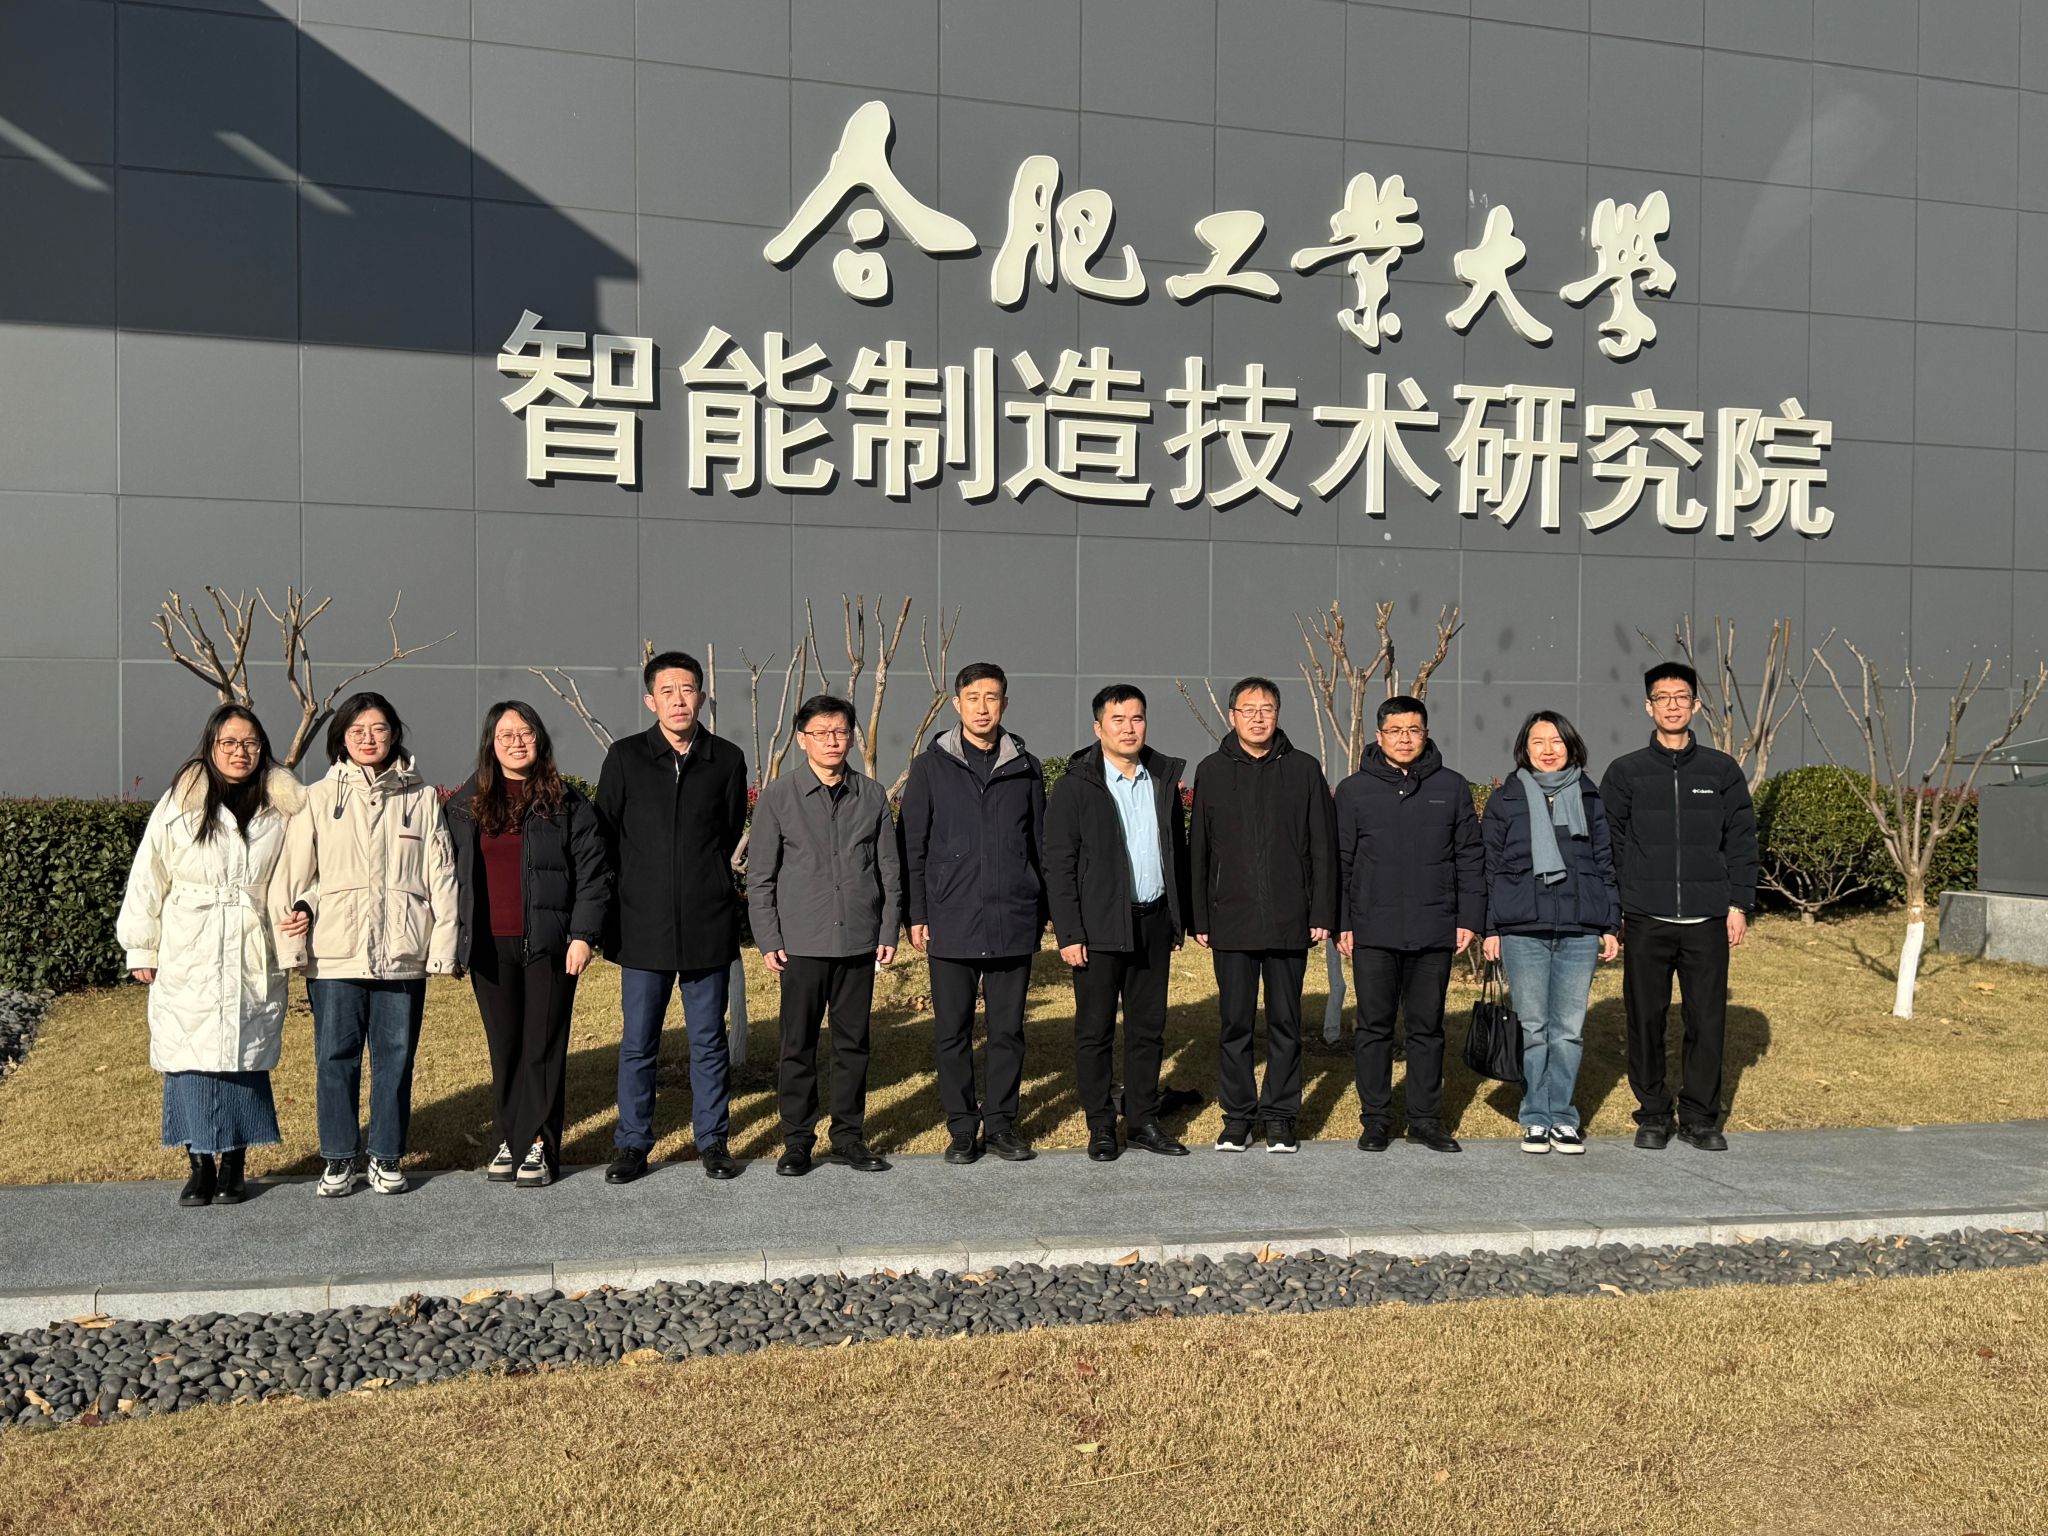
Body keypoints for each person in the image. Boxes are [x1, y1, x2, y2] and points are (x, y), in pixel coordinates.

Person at [118, 706, 308, 1207]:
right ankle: (200, 1165)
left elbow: (306, 868)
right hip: (190, 944)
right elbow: (149, 874)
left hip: (251, 944)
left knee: (243, 1058)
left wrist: (303, 908)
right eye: (229, 743)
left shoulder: (283, 804)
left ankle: (236, 1165)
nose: (240, 752)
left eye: (250, 743)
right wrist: (141, 945)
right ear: (211, 745)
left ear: (262, 747)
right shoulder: (180, 801)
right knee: (190, 1057)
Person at [275, 692, 458, 1198]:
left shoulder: (421, 798)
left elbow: (441, 876)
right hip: (336, 954)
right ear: (342, 738)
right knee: (335, 1059)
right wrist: (293, 940)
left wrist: (442, 946)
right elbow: (295, 876)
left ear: (394, 734)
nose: (368, 738)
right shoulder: (317, 797)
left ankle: (385, 1155)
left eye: (378, 729)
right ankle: (338, 1157)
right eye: (357, 730)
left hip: (402, 952)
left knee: (396, 1060)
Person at [595, 650, 749, 1184]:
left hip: (707, 923)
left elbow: (727, 831)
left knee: (708, 1041)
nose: (678, 700)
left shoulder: (726, 759)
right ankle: (632, 1143)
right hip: (643, 926)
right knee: (639, 1043)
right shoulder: (625, 757)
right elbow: (606, 835)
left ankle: (713, 1141)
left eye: (687, 690)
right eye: (667, 691)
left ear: (702, 697)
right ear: (650, 701)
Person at [444, 702, 609, 1188]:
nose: (516, 742)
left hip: (550, 945)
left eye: (525, 733)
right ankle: (509, 1139)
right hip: (489, 947)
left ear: (540, 738)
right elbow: (445, 873)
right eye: (505, 735)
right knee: (506, 1048)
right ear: (490, 744)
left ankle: (538, 1143)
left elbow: (595, 874)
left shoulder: (567, 802)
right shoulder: (465, 803)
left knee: (543, 1047)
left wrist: (583, 935)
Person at [1599, 662, 1759, 1153]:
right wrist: (1615, 909)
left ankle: (1699, 1117)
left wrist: (1738, 903)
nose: (1672, 705)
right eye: (1662, 698)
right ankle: (1652, 1114)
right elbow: (1609, 845)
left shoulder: (1721, 770)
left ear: (1695, 705)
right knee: (1645, 1019)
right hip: (1645, 917)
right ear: (1648, 706)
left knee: (1706, 1022)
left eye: (1681, 696)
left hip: (1707, 918)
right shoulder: (1625, 772)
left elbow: (1741, 840)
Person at [747, 695, 902, 1177]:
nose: (832, 741)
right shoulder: (779, 797)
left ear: (852, 737)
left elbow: (890, 871)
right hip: (801, 943)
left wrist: (888, 928)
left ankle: (849, 1137)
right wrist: (769, 937)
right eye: (821, 732)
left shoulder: (872, 795)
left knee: (853, 1044)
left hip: (858, 938)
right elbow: (760, 877)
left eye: (840, 732)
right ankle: (797, 1141)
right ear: (802, 739)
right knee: (797, 1045)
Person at [900, 662, 1047, 1164]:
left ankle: (1002, 1124)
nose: (983, 707)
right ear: (956, 703)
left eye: (993, 697)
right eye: (973, 697)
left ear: (1005, 703)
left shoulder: (1025, 766)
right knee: (953, 1032)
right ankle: (963, 1127)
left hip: (1013, 917)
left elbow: (1039, 844)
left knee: (1007, 1032)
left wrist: (1042, 908)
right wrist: (917, 913)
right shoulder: (929, 767)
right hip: (951, 915)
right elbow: (913, 846)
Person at [1043, 684, 1192, 1162]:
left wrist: (1177, 918)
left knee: (1148, 1028)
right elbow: (1058, 864)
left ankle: (1143, 1119)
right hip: (1099, 928)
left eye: (1137, 718)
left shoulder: (1162, 778)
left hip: (1153, 921)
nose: (1129, 728)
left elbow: (1175, 852)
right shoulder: (1076, 785)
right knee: (1095, 1031)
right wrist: (1069, 932)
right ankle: (1102, 1124)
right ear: (1098, 727)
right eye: (1118, 719)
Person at [1189, 677, 1337, 1154]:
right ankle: (1237, 1118)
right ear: (1232, 715)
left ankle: (1280, 1116)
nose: (1258, 717)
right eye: (1248, 709)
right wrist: (1200, 917)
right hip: (1230, 920)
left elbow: (1323, 847)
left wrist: (1321, 910)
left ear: (1278, 714)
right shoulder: (1212, 770)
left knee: (1285, 1024)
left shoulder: (1304, 769)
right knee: (1234, 1024)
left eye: (1267, 708)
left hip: (1290, 919)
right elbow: (1200, 849)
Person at [1337, 694, 1484, 1154]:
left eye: (1413, 730)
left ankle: (1424, 1119)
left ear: (1426, 734)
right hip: (1372, 929)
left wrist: (1469, 917)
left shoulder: (1451, 787)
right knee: (1373, 1028)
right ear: (1379, 736)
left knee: (1427, 1028)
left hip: (1434, 926)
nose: (1405, 739)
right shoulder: (1354, 791)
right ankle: (1376, 1119)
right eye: (1395, 731)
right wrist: (1343, 921)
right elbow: (1342, 861)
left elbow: (1470, 856)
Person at [1480, 710, 1621, 1155]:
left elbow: (1604, 863)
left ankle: (1562, 1116)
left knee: (1568, 1030)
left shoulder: (1589, 796)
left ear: (1570, 746)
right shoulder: (1506, 799)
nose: (1547, 750)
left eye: (1556, 741)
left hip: (1580, 928)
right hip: (1523, 928)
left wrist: (1610, 924)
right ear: (1524, 749)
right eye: (1538, 742)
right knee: (1533, 1026)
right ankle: (1534, 1117)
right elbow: (1489, 868)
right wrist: (1490, 928)